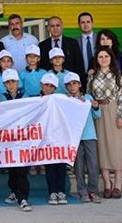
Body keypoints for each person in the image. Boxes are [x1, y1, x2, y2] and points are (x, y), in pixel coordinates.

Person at [87, 46, 122, 200]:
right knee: (102, 147)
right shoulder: (92, 77)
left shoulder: (117, 76)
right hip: (98, 113)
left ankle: (118, 182)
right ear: (97, 59)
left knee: (116, 146)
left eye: (106, 56)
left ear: (111, 58)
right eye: (100, 56)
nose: (103, 59)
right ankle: (107, 183)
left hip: (114, 110)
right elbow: (89, 95)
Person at [65, 72, 102, 204]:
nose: (72, 86)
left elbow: (97, 115)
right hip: (75, 138)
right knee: (79, 165)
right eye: (69, 84)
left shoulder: (88, 97)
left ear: (80, 84)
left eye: (74, 83)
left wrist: (96, 107)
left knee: (93, 164)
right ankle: (83, 192)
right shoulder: (66, 100)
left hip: (89, 135)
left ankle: (93, 191)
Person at [0, 69, 32, 212]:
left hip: (23, 139)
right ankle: (14, 191)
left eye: (13, 81)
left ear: (18, 82)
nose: (11, 85)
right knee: (12, 169)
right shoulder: (2, 97)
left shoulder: (25, 96)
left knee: (21, 169)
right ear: (4, 84)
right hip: (8, 139)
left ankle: (23, 197)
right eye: (8, 82)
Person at [38, 72, 67, 206]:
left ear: (55, 88)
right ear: (41, 85)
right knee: (50, 166)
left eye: (51, 86)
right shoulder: (35, 100)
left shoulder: (61, 100)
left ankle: (61, 191)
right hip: (44, 138)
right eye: (46, 85)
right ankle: (52, 192)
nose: (48, 88)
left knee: (61, 165)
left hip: (59, 137)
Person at [38, 16, 84, 83]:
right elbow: (41, 66)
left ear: (62, 26)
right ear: (48, 28)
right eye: (52, 26)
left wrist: (80, 83)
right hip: (49, 83)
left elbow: (79, 65)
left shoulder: (72, 43)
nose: (55, 28)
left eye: (57, 25)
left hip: (70, 83)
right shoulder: (42, 45)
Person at [95, 29, 122, 100]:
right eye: (102, 39)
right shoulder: (93, 60)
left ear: (112, 42)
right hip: (99, 99)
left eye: (108, 38)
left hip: (118, 99)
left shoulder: (120, 60)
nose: (105, 41)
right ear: (99, 42)